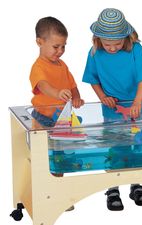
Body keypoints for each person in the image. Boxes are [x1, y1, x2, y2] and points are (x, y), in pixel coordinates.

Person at [82, 8, 142, 211]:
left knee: (138, 144)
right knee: (116, 145)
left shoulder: (136, 50)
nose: (112, 48)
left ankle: (137, 184)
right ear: (98, 39)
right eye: (107, 44)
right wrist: (103, 97)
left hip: (136, 107)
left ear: (125, 38)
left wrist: (137, 103)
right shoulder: (95, 52)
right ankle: (112, 188)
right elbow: (93, 79)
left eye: (117, 43)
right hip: (112, 109)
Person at [30, 16, 84, 211]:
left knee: (60, 156)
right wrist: (58, 93)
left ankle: (58, 196)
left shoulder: (62, 65)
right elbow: (43, 86)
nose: (60, 51)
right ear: (40, 42)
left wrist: (76, 97)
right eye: (56, 47)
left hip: (62, 119)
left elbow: (72, 85)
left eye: (63, 47)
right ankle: (43, 196)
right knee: (44, 158)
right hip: (43, 119)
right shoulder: (38, 67)